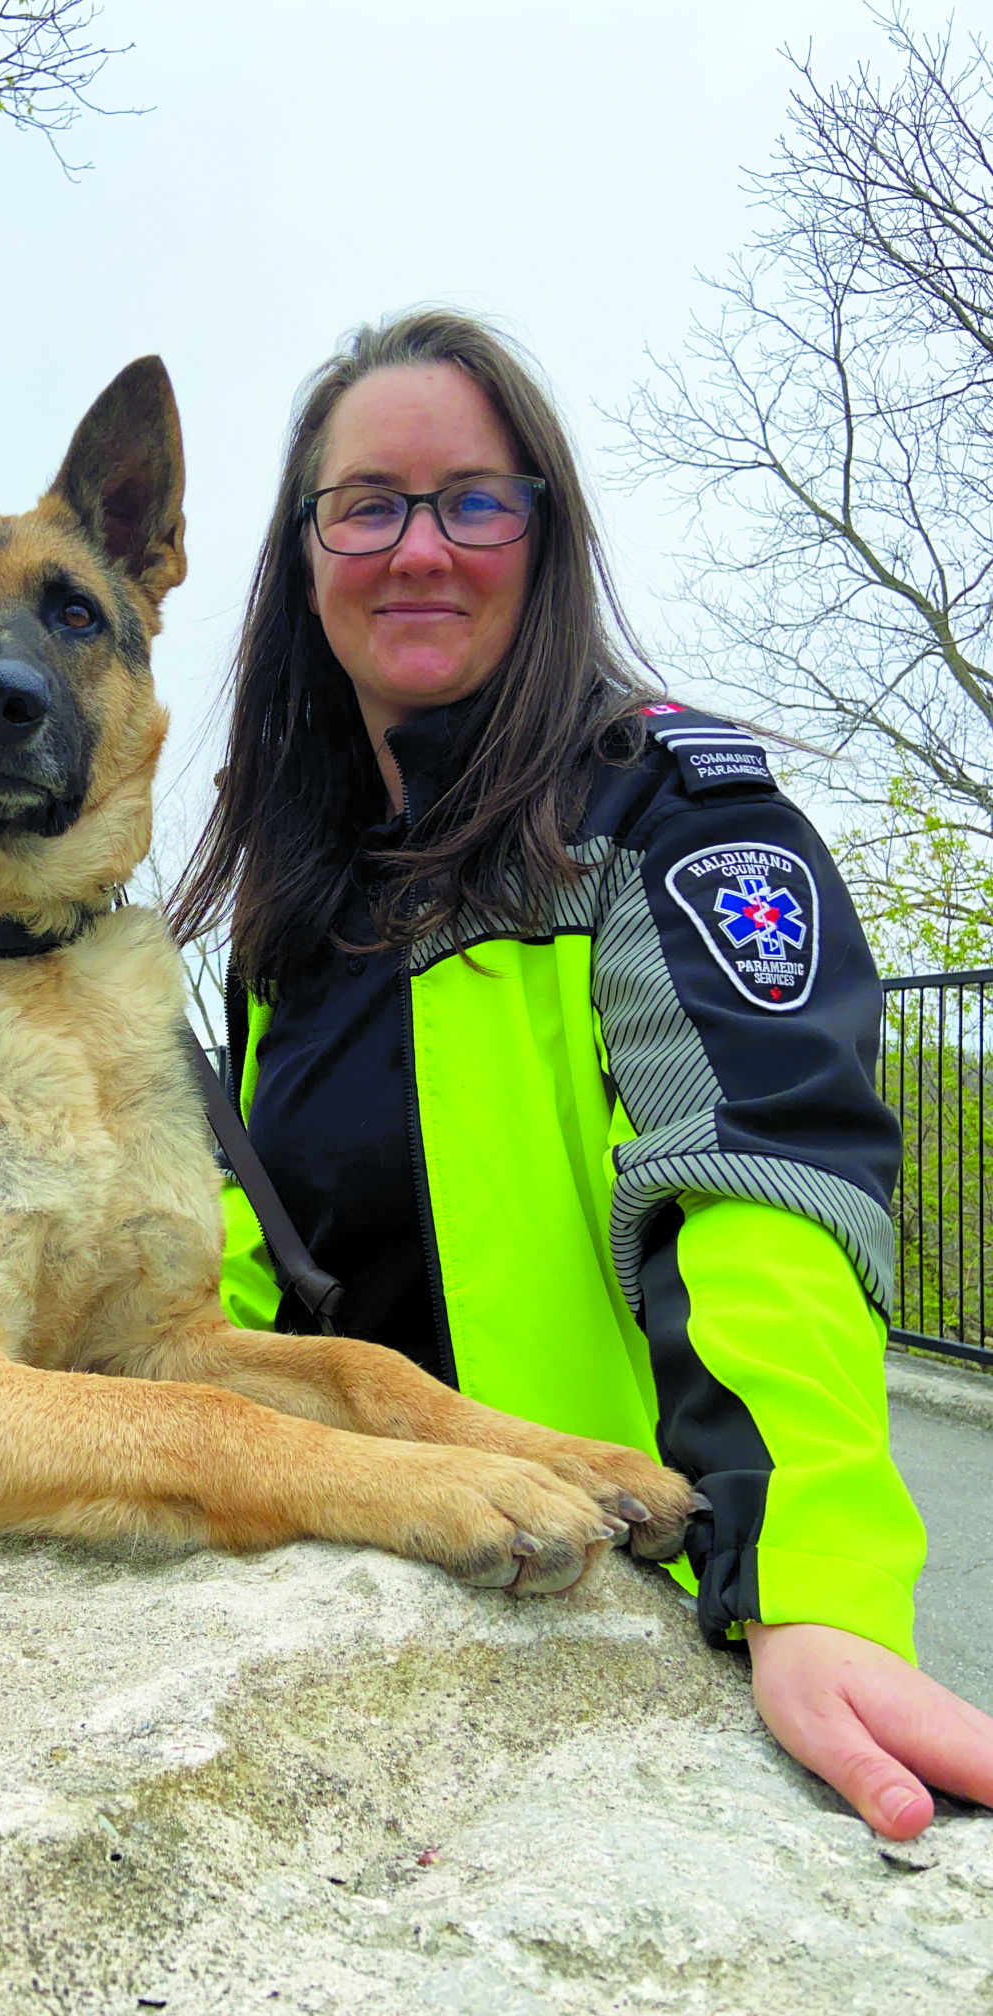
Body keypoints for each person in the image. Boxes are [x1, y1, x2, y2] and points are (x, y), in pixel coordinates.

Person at [171, 307, 993, 1841]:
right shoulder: (305, 890)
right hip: (354, 1574)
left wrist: (805, 1586)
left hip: (613, 1599)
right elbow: (261, 1254)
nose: (421, 547)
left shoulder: (674, 816)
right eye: (368, 505)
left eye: (475, 499)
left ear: (544, 536)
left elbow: (763, 1193)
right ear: (303, 555)